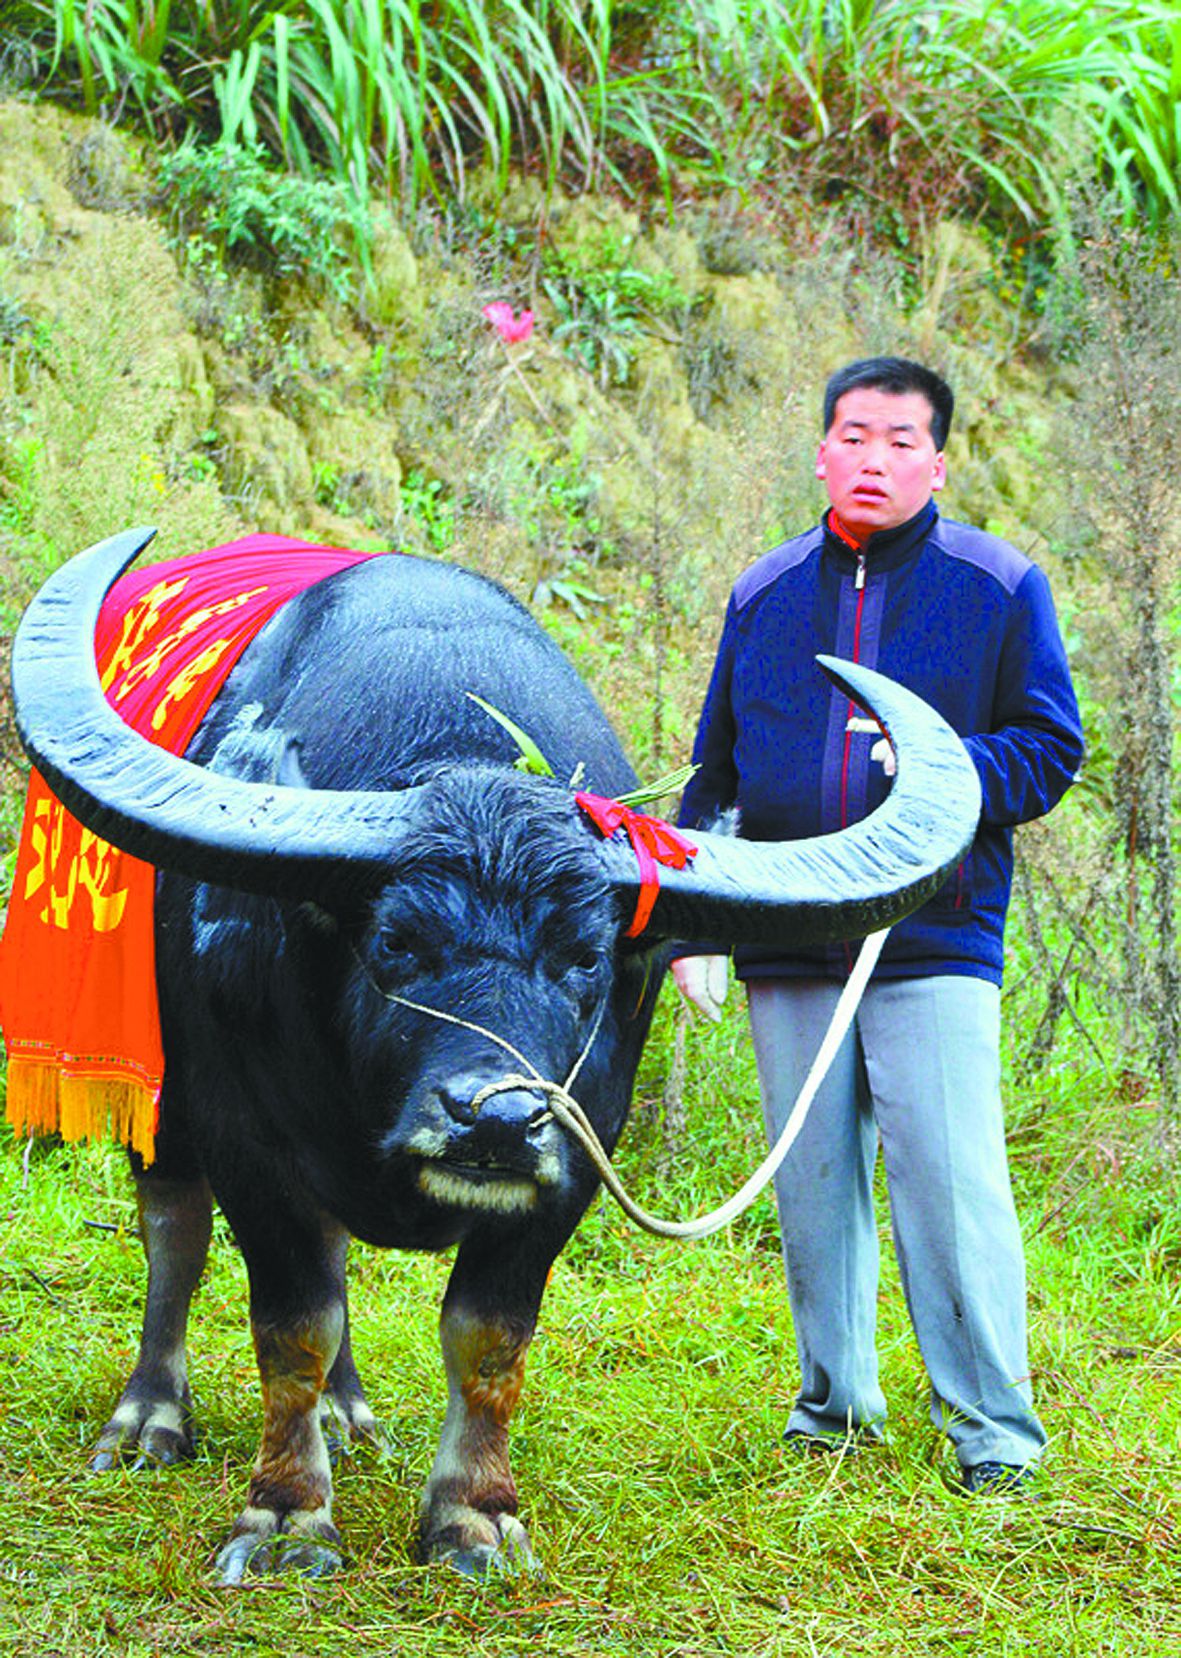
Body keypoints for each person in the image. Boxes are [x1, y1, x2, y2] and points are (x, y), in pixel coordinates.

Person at [673, 357, 1083, 1493]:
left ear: (936, 461)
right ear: (818, 451)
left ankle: (993, 1433)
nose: (873, 456)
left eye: (900, 439)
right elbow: (715, 773)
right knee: (811, 1190)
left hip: (930, 936)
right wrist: (697, 919)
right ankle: (832, 1409)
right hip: (786, 931)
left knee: (947, 1187)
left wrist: (948, 769)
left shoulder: (996, 585)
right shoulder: (762, 593)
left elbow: (1050, 748)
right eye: (853, 434)